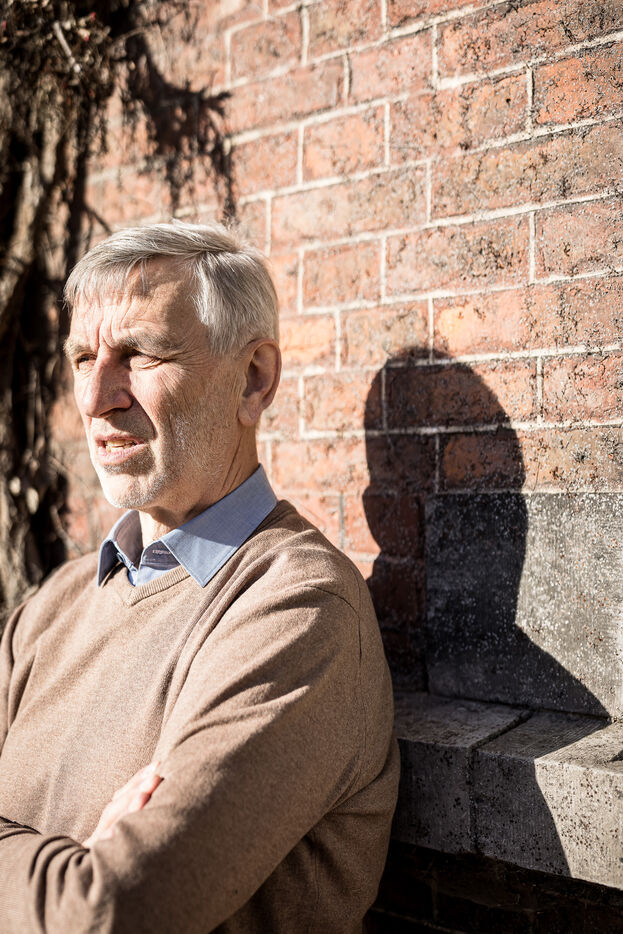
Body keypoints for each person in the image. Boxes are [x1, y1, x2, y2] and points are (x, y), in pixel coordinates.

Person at [0, 221, 399, 932]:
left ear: (253, 379)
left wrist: (75, 880)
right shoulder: (54, 603)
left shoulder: (300, 609)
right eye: (83, 357)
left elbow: (107, 913)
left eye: (139, 354)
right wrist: (64, 867)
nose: (95, 398)